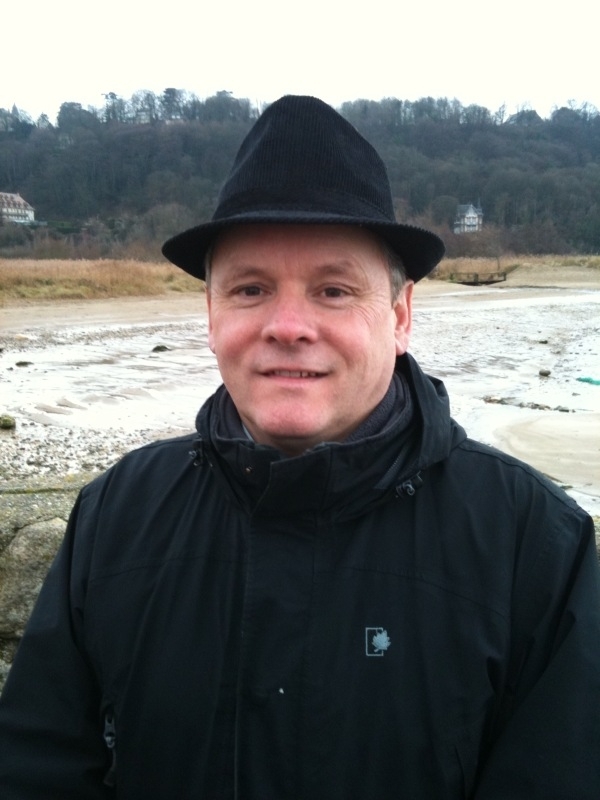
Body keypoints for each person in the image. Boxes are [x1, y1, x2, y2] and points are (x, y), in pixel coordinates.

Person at [0, 95, 598, 799]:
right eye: (251, 289)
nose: (288, 326)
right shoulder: (117, 513)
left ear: (400, 316)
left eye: (334, 290)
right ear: (211, 314)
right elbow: (38, 767)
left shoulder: (533, 542)